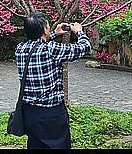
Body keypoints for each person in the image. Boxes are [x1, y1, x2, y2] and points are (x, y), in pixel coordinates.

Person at [15, 11, 91, 149]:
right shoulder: (51, 49)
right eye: (48, 26)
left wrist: (55, 34)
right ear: (44, 30)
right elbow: (84, 47)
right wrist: (79, 31)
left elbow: (38, 46)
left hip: (29, 113)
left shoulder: (20, 49)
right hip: (50, 115)